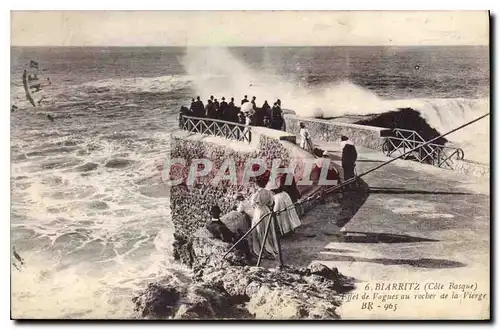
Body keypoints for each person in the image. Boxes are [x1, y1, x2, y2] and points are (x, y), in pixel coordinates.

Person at [249, 171, 279, 258]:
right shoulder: (268, 192)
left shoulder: (256, 194)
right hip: (266, 211)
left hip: (258, 212)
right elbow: (271, 203)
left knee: (259, 231)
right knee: (268, 231)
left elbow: (252, 204)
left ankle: (262, 250)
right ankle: (271, 248)